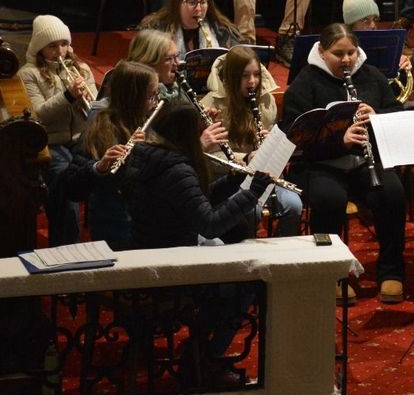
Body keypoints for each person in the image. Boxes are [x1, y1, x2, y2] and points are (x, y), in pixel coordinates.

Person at [280, 23, 408, 303]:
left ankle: (391, 271)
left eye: (351, 52)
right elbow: (294, 135)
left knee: (392, 193)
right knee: (329, 199)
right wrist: (341, 140)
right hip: (320, 163)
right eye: (338, 54)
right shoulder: (306, 82)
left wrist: (377, 116)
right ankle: (332, 274)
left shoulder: (371, 76)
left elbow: (396, 112)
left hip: (363, 162)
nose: (347, 59)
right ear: (322, 52)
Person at [123, 101, 273, 249]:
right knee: (235, 241)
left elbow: (194, 201)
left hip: (150, 243)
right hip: (170, 252)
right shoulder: (176, 171)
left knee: (238, 228)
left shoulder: (150, 156)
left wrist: (231, 181)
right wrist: (253, 193)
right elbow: (210, 226)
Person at [201, 45, 302, 236]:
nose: (253, 81)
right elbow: (210, 156)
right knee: (251, 211)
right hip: (230, 180)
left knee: (293, 205)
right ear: (232, 77)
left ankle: (281, 251)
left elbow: (275, 136)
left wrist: (272, 143)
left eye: (256, 74)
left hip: (263, 174)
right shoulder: (211, 105)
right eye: (245, 76)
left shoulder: (266, 100)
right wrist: (246, 159)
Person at [17, 14, 97, 245]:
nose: (60, 51)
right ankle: (66, 245)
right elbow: (38, 115)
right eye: (52, 46)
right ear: (40, 48)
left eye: (64, 44)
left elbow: (95, 107)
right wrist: (67, 97)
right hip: (50, 142)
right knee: (64, 183)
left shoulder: (82, 68)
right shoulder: (28, 74)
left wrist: (86, 101)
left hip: (81, 138)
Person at [68, 60, 161, 250]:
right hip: (116, 227)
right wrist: (98, 168)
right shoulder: (99, 129)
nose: (155, 101)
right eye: (151, 96)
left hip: (148, 222)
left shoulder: (152, 121)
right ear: (133, 98)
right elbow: (71, 187)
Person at [139, 0, 242, 60]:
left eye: (203, 2)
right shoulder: (155, 29)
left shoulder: (222, 30)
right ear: (178, 3)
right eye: (192, 2)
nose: (198, 9)